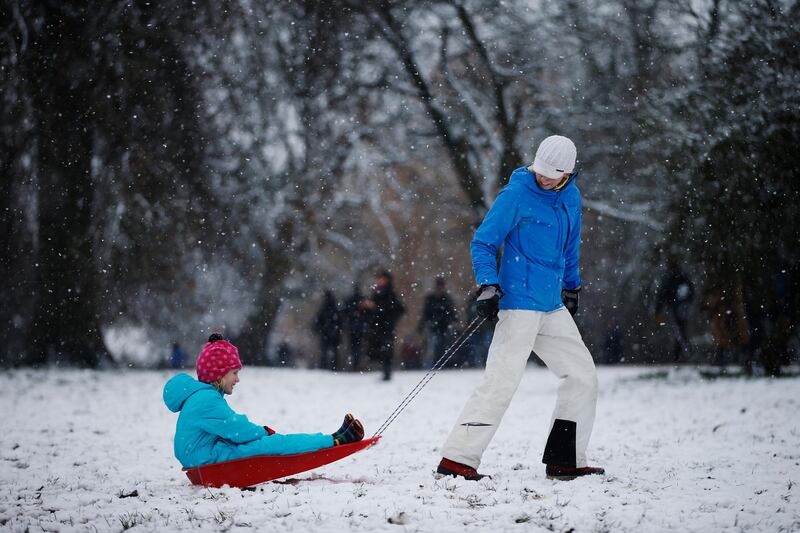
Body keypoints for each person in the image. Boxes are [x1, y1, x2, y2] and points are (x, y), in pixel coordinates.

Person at [436, 135, 604, 481]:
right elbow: (483, 242)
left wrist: (573, 286)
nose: (543, 178)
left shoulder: (571, 198)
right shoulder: (517, 194)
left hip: (552, 304)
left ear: (568, 173)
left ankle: (565, 460)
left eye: (552, 174)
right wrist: (488, 284)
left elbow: (571, 247)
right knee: (502, 381)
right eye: (540, 170)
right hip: (519, 304)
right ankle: (457, 460)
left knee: (582, 376)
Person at [163, 333, 364, 468]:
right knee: (272, 444)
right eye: (234, 373)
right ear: (219, 375)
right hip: (207, 459)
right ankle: (334, 441)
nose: (237, 379)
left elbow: (231, 430)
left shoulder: (202, 396)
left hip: (204, 455)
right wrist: (264, 432)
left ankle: (331, 438)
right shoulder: (206, 400)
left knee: (266, 442)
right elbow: (237, 429)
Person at [361, 269, 405, 381]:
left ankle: (387, 372)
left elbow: (396, 309)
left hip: (386, 326)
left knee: (386, 349)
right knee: (380, 349)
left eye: (380, 278)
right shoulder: (377, 292)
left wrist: (376, 307)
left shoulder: (389, 292)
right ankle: (383, 371)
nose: (378, 280)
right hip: (378, 326)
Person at [655, 258, 695, 363]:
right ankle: (683, 354)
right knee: (681, 330)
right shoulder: (682, 277)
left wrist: (658, 309)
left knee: (678, 331)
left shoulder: (669, 277)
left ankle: (680, 354)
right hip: (682, 307)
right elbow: (691, 292)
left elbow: (662, 294)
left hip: (674, 307)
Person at [417, 276, 458, 368]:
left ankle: (441, 364)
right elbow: (425, 313)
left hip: (444, 327)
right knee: (432, 346)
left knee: (442, 346)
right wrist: (421, 325)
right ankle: (432, 365)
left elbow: (452, 312)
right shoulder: (431, 298)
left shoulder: (446, 298)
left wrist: (455, 321)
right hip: (433, 327)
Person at [313, 290, 343, 371]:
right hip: (334, 332)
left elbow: (319, 319)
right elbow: (340, 320)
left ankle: (324, 366)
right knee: (334, 351)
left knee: (324, 350)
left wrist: (317, 328)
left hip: (325, 332)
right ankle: (334, 367)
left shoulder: (324, 307)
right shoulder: (335, 307)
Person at [343, 283, 368, 370]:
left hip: (353, 327)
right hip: (361, 327)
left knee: (354, 346)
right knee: (359, 346)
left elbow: (345, 313)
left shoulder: (350, 300)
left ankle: (355, 364)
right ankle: (357, 364)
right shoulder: (363, 300)